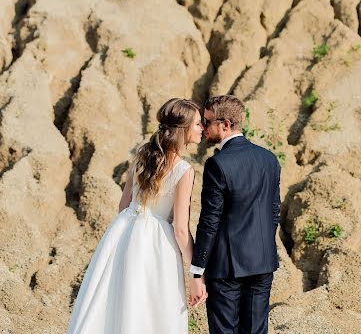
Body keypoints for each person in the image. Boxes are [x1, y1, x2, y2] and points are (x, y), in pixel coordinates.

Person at [66, 97, 206, 334]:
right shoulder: (184, 170)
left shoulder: (142, 155)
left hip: (124, 232)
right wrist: (197, 272)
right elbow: (180, 229)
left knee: (113, 302)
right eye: (197, 124)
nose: (201, 128)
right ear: (183, 129)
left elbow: (124, 205)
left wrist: (132, 228)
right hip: (157, 245)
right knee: (153, 310)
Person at [189, 95, 281, 334]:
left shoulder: (217, 164)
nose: (203, 128)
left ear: (225, 124)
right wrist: (260, 248)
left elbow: (210, 220)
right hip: (262, 263)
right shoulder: (269, 159)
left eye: (207, 122)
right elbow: (274, 213)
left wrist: (197, 270)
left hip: (226, 267)